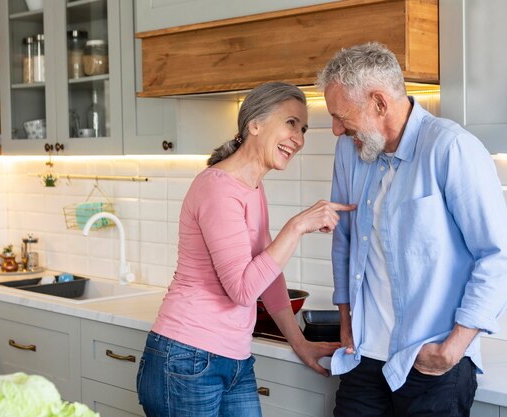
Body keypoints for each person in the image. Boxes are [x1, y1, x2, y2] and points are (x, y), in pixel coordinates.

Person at [316, 42, 507, 417]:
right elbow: (344, 241)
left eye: (341, 116)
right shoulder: (350, 152)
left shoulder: (451, 148)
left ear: (379, 103)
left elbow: (499, 258)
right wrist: (346, 320)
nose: (335, 129)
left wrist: (452, 348)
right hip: (363, 358)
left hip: (431, 363)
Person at [136, 81, 356, 417]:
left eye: (304, 128)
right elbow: (242, 289)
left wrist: (300, 343)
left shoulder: (252, 187)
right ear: (254, 124)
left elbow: (268, 277)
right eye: (291, 123)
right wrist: (296, 227)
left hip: (232, 359)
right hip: (186, 357)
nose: (299, 139)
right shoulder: (216, 188)